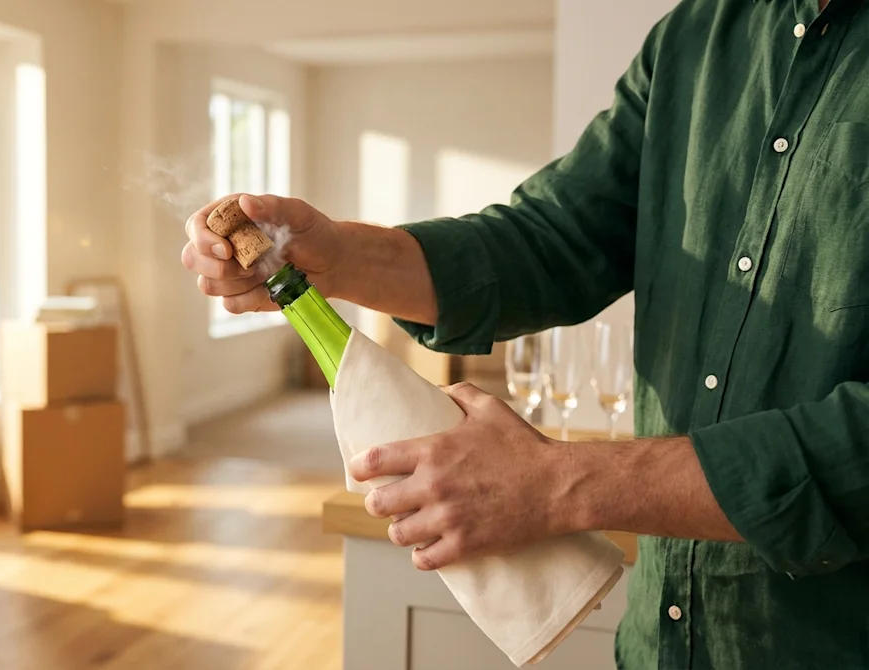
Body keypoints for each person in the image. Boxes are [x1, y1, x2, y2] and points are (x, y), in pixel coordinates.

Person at [182, 0, 868, 666]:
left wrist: (559, 482)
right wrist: (342, 255)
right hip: (665, 645)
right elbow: (553, 239)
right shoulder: (698, 35)